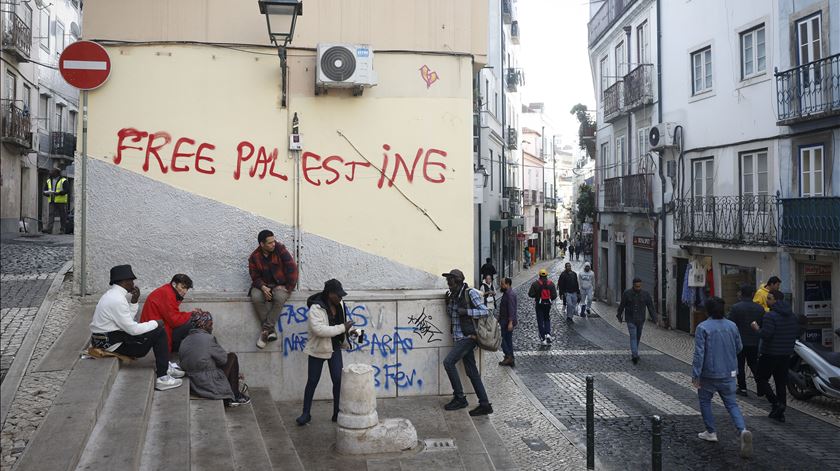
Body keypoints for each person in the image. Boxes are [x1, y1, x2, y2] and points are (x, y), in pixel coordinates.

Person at [89, 265, 184, 391]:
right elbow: (132, 329)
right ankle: (162, 377)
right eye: (131, 281)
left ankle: (164, 365)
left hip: (107, 338)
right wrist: (155, 323)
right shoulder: (117, 300)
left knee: (154, 330)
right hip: (110, 343)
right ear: (125, 282)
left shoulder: (111, 295)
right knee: (159, 331)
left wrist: (134, 302)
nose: (133, 284)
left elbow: (126, 321)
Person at [691, 297, 753, 458]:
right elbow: (739, 347)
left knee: (705, 401)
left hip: (709, 374)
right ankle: (743, 430)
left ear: (708, 310)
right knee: (732, 404)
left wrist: (696, 375)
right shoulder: (732, 326)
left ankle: (711, 431)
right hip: (729, 372)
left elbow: (699, 353)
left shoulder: (703, 327)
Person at [296, 279, 353, 425]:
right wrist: (343, 328)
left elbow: (343, 323)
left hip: (335, 348)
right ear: (330, 294)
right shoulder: (316, 308)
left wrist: (352, 332)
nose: (341, 298)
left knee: (338, 380)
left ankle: (337, 413)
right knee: (312, 381)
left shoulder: (340, 304)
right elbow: (319, 330)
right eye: (338, 295)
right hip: (318, 349)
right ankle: (306, 413)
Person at [442, 269, 493, 416]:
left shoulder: (470, 293)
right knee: (472, 372)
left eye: (450, 281)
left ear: (457, 281)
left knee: (448, 363)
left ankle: (460, 398)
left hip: (468, 338)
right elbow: (452, 314)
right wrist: (448, 303)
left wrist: (468, 312)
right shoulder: (454, 295)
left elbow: (486, 312)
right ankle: (485, 404)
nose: (448, 284)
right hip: (459, 338)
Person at [179, 311, 251, 407]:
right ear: (203, 325)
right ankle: (235, 395)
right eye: (210, 324)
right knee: (232, 357)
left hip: (193, 382)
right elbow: (223, 360)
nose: (212, 327)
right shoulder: (208, 339)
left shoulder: (185, 340)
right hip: (206, 382)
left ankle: (234, 388)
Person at [751, 290, 799, 422]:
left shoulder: (770, 316)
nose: (767, 300)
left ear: (776, 300)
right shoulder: (792, 316)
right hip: (785, 353)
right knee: (780, 382)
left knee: (760, 377)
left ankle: (775, 402)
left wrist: (756, 329)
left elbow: (766, 335)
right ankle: (780, 410)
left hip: (770, 353)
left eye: (770, 298)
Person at [248, 229, 298, 349]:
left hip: (281, 284)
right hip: (263, 284)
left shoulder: (280, 250)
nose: (273, 244)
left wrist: (288, 287)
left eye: (274, 241)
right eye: (270, 243)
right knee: (255, 296)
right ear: (262, 244)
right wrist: (262, 287)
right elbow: (254, 276)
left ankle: (266, 330)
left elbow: (292, 269)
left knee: (280, 297)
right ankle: (270, 331)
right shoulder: (254, 257)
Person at [140, 274, 197, 355]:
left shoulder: (168, 290)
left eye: (186, 288)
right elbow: (174, 320)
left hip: (158, 326)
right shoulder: (167, 293)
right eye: (183, 287)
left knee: (195, 319)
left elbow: (172, 315)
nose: (185, 291)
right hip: (155, 329)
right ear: (174, 284)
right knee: (196, 319)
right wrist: (192, 314)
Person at [727, 285, 764, 396]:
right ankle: (762, 386)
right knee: (754, 364)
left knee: (739, 365)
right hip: (754, 341)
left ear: (741, 294)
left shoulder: (736, 308)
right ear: (752, 294)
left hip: (739, 342)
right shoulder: (760, 308)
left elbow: (731, 325)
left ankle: (742, 388)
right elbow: (761, 325)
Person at [616, 278, 657, 364]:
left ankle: (635, 351)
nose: (638, 288)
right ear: (633, 285)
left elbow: (651, 307)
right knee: (633, 336)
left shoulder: (646, 294)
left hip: (640, 319)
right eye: (636, 286)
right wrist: (619, 315)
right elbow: (622, 305)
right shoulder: (627, 294)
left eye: (639, 286)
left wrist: (655, 319)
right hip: (630, 319)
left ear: (641, 285)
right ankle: (634, 354)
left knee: (638, 336)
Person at [528, 269, 557, 345]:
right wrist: (549, 299)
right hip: (548, 304)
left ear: (539, 275)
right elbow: (554, 295)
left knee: (540, 320)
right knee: (547, 318)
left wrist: (537, 296)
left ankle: (543, 338)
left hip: (539, 304)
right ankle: (548, 333)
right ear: (546, 275)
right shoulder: (551, 284)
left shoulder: (535, 284)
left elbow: (530, 294)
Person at [497, 277, 518, 367]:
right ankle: (510, 358)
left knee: (502, 339)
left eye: (502, 284)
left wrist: (510, 322)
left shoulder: (510, 295)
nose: (501, 285)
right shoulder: (506, 293)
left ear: (507, 284)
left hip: (506, 321)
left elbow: (511, 309)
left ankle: (508, 356)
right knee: (508, 340)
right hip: (504, 320)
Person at [43, 168, 69, 234]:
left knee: (62, 216)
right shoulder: (49, 180)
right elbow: (45, 189)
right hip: (52, 200)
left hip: (61, 201)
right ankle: (49, 229)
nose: (50, 172)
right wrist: (46, 193)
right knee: (51, 215)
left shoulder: (63, 180)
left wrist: (59, 193)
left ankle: (62, 230)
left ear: (57, 173)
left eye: (52, 171)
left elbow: (67, 190)